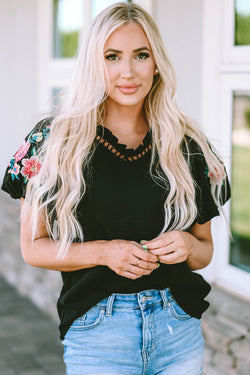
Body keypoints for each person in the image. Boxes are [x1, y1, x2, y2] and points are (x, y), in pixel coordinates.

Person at [1, 2, 230, 374]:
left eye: (141, 55)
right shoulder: (54, 142)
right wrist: (105, 252)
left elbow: (203, 252)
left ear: (156, 63)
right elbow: (33, 247)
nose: (128, 71)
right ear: (94, 63)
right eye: (112, 56)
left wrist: (187, 244)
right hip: (99, 334)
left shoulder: (188, 145)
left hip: (178, 329)